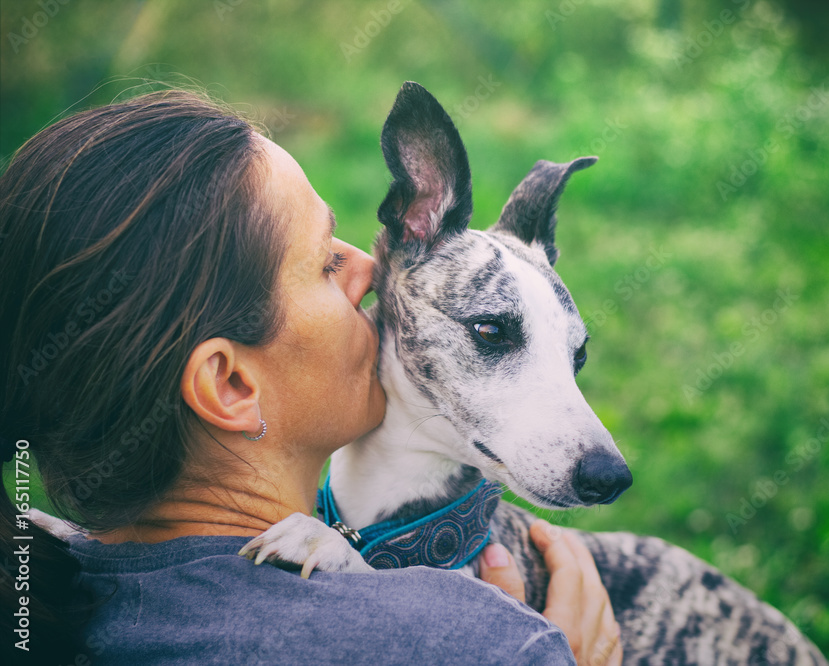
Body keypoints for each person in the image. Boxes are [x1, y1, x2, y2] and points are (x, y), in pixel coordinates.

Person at [0, 89, 623, 665]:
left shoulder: (43, 592)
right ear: (231, 386)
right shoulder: (487, 642)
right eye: (327, 261)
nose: (372, 268)